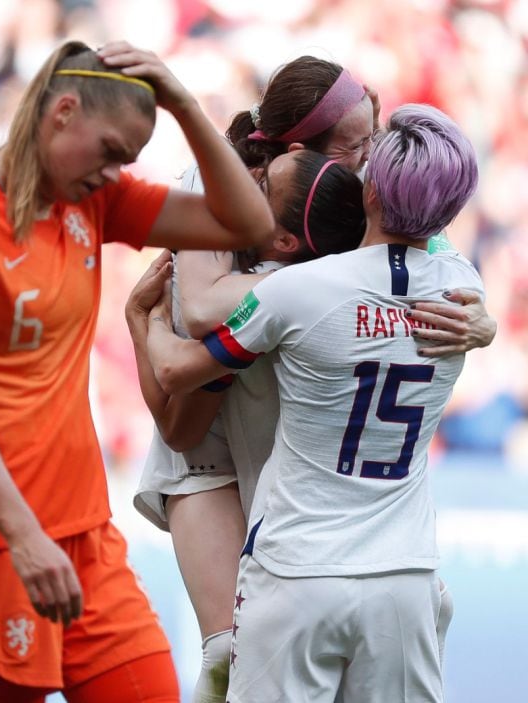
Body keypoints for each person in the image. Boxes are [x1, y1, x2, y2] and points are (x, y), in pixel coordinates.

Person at [0, 39, 274, 703]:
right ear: (62, 111)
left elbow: (248, 221)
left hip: (87, 537)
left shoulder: (93, 202)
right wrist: (24, 537)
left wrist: (184, 104)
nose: (114, 172)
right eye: (109, 151)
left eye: (126, 161)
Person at [130, 56, 496, 703]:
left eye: (375, 132)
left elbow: (451, 282)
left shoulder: (339, 243)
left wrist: (483, 322)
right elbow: (191, 378)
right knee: (226, 652)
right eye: (357, 142)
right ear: (297, 153)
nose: (375, 150)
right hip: (222, 452)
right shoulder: (224, 192)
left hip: (303, 484)